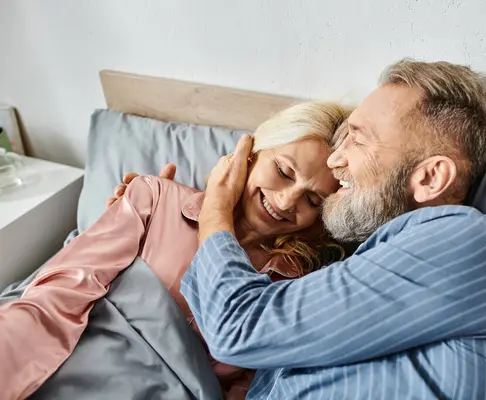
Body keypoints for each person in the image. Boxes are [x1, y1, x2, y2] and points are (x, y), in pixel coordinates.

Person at [178, 59, 486, 399]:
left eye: (359, 140)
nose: (335, 160)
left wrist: (216, 209)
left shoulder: (468, 245)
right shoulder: (374, 259)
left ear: (430, 177)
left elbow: (238, 325)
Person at [0, 102, 351, 400]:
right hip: (72, 364)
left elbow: (249, 385)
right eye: (283, 171)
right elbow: (63, 290)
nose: (287, 200)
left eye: (312, 199)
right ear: (252, 153)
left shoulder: (291, 287)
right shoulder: (156, 197)